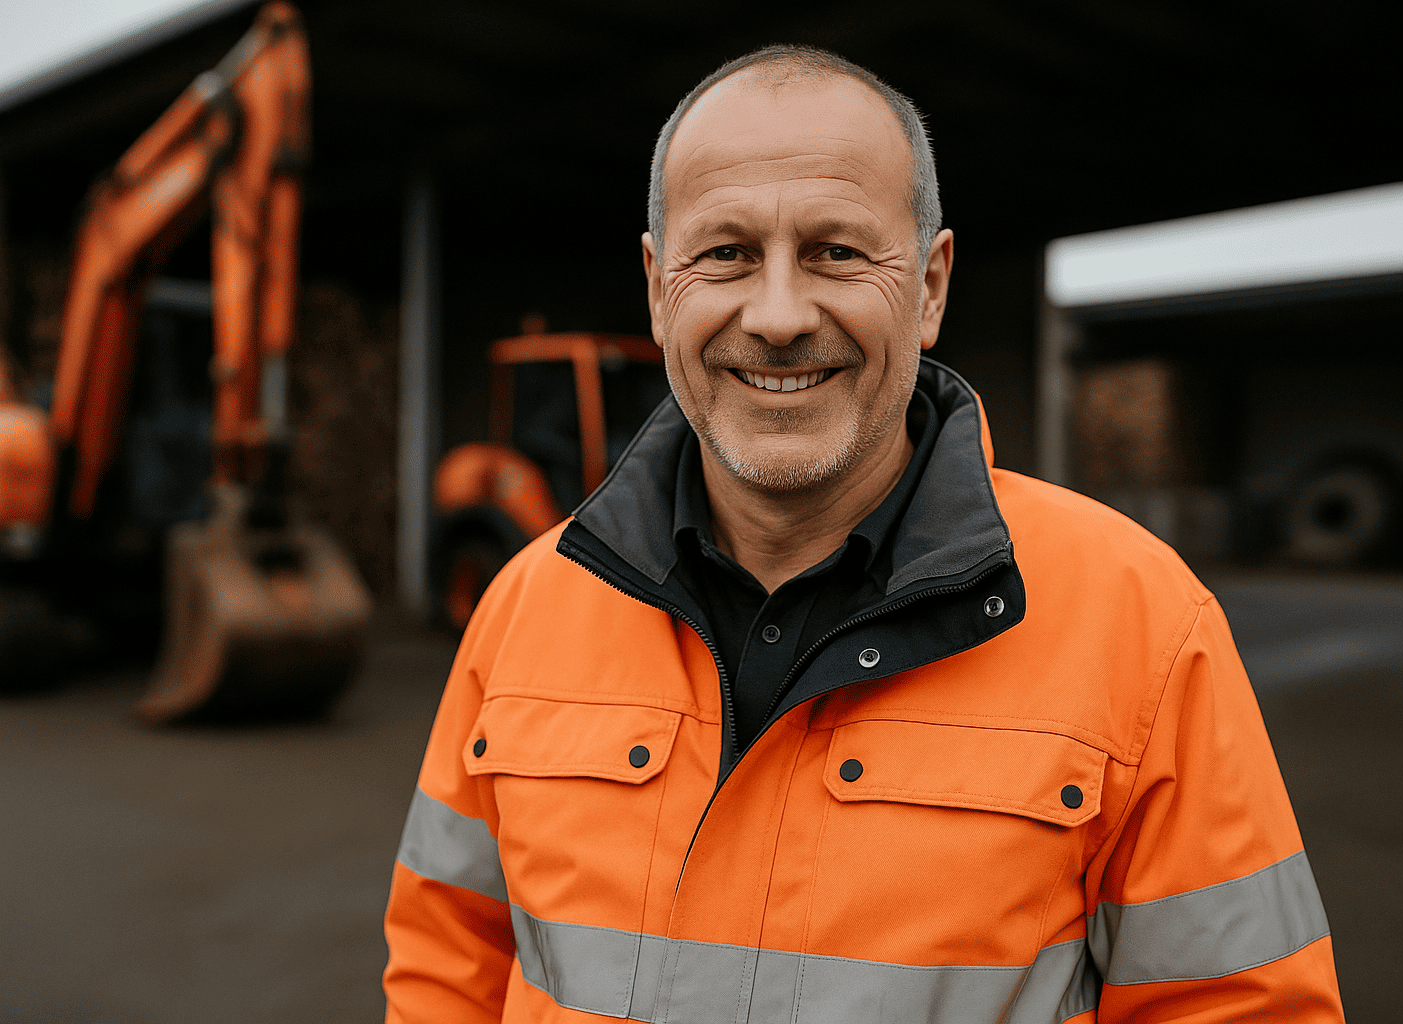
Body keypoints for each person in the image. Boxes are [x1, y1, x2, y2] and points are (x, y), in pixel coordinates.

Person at [383, 45, 1346, 1023]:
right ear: (658, 288)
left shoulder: (1141, 621)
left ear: (930, 287)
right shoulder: (525, 605)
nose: (778, 316)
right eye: (726, 254)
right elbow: (448, 965)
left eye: (837, 252)